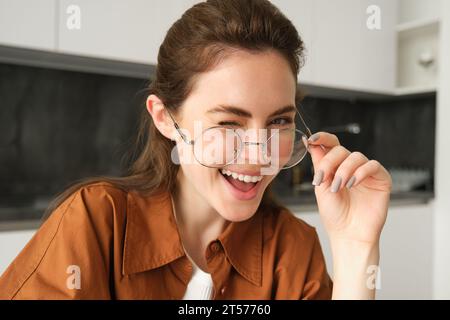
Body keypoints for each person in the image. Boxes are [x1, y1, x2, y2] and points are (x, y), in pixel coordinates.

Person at [0, 0, 391, 299]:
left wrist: (356, 248)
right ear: (166, 119)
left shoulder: (292, 247)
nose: (258, 156)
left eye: (278, 122)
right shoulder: (94, 223)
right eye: (228, 123)